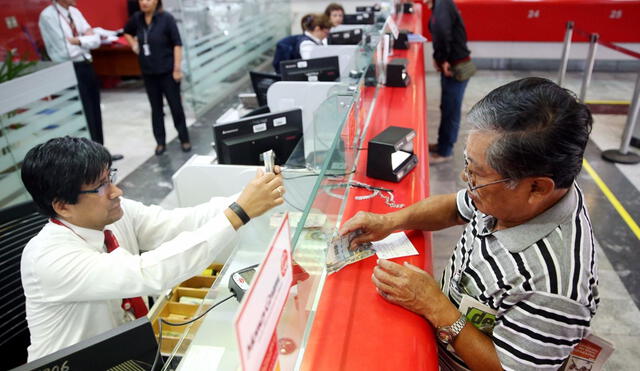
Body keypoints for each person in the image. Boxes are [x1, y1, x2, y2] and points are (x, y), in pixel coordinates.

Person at [340, 78, 598, 370]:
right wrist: (389, 221)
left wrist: (435, 305)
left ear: (537, 188)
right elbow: (454, 208)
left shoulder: (555, 288)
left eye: (477, 173)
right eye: (467, 164)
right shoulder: (507, 197)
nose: (466, 179)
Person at [20, 136, 285, 361]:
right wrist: (240, 212)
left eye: (110, 177)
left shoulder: (115, 215)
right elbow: (148, 272)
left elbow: (180, 223)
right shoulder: (47, 258)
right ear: (62, 206)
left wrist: (251, 196)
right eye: (100, 187)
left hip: (129, 356)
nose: (117, 191)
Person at [38, 0, 123, 161]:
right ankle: (89, 160)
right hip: (70, 69)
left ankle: (101, 155)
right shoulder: (48, 16)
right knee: (84, 115)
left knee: (95, 112)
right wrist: (86, 39)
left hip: (86, 65)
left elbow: (96, 39)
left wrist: (78, 40)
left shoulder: (75, 12)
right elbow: (66, 50)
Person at [124, 0, 191, 156]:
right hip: (149, 74)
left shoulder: (166, 18)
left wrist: (177, 68)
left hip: (168, 72)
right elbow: (126, 31)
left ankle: (184, 139)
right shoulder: (137, 18)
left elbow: (177, 44)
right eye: (141, 0)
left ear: (156, 2)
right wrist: (134, 44)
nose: (144, 3)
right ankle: (160, 142)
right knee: (156, 109)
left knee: (176, 107)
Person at [427, 0, 474, 163]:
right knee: (447, 106)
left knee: (451, 109)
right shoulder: (440, 4)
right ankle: (442, 144)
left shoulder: (443, 3)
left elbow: (442, 32)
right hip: (451, 63)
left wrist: (442, 58)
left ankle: (445, 151)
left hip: (456, 65)